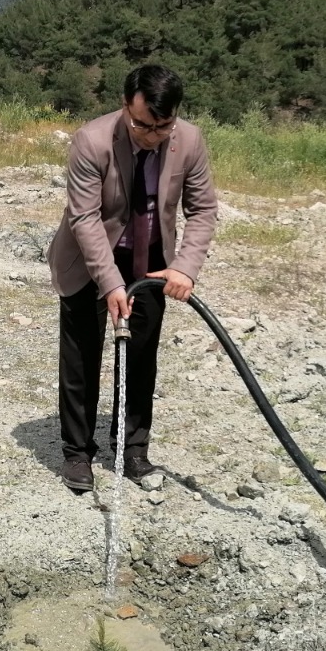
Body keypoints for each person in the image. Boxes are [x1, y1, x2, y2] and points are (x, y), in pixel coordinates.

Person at [48, 64, 219, 493]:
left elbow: (202, 210)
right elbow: (85, 219)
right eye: (142, 125)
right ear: (126, 106)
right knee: (81, 359)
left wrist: (185, 266)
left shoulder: (191, 141)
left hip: (150, 264)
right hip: (89, 261)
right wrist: (110, 284)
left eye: (163, 127)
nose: (152, 135)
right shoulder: (92, 140)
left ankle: (132, 448)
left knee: (140, 357)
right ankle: (77, 454)